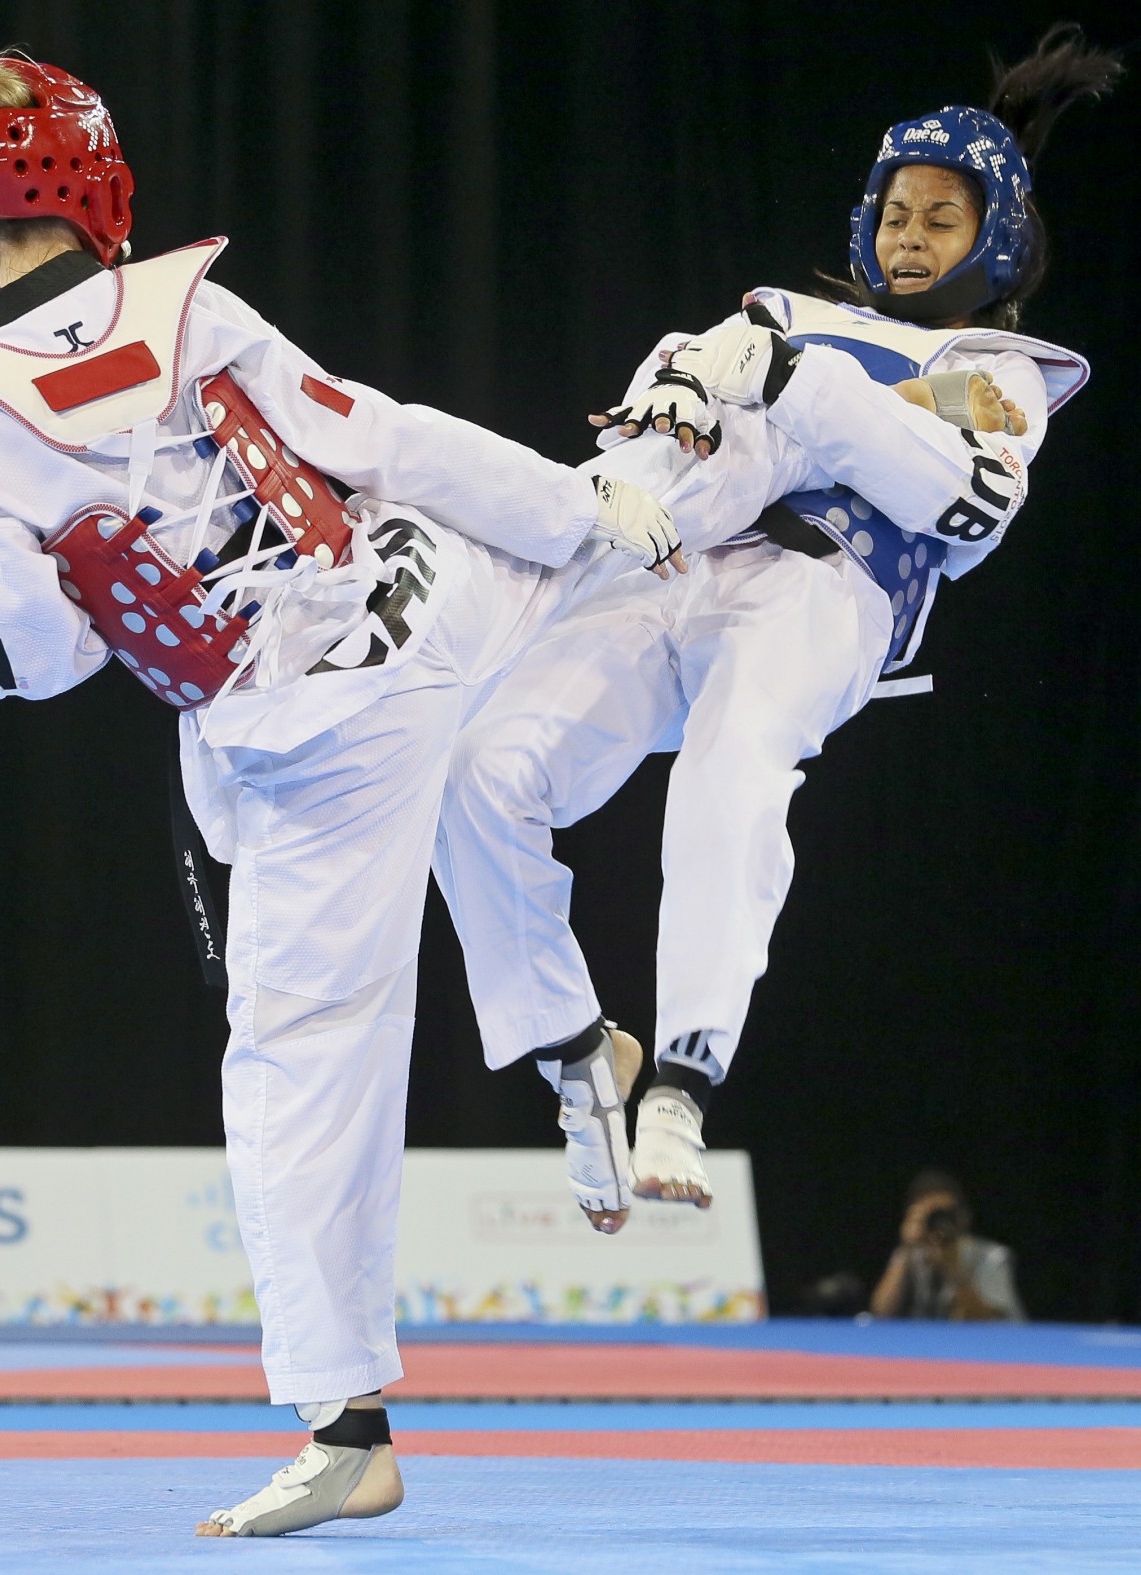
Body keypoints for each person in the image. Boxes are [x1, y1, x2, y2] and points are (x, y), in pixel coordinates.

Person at [0, 54, 689, 1537]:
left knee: (303, 1050)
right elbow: (383, 433)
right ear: (101, 186)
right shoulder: (191, 300)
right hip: (439, 589)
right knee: (550, 725)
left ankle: (346, 1420)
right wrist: (584, 509)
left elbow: (31, 667)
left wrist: (101, 583)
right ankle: (578, 1030)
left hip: (310, 731)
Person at [434, 25, 1118, 1228]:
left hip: (825, 593)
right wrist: (680, 394)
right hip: (676, 568)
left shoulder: (988, 367)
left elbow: (964, 498)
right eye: (895, 214)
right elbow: (671, 399)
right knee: (479, 766)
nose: (907, 239)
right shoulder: (776, 309)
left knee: (736, 758)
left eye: (939, 221)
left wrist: (793, 378)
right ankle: (576, 1051)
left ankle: (685, 1083)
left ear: (994, 238)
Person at [871, 1171, 1026, 1320]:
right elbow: (881, 1312)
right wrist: (906, 1247)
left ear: (964, 1217)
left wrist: (953, 1269)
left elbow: (985, 1322)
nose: (939, 1224)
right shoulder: (911, 1254)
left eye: (945, 1215)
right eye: (931, 1217)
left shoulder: (990, 1256)